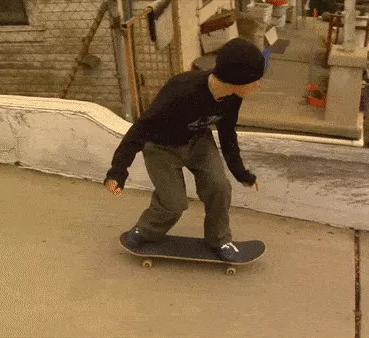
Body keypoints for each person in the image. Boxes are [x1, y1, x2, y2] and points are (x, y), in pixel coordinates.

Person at [104, 38, 264, 262]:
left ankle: (219, 239)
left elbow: (228, 135)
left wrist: (241, 173)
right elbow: (140, 129)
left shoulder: (233, 98)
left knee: (220, 187)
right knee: (174, 204)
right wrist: (118, 172)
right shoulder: (181, 90)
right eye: (255, 80)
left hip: (198, 142)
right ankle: (145, 231)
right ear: (235, 79)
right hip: (161, 146)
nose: (258, 85)